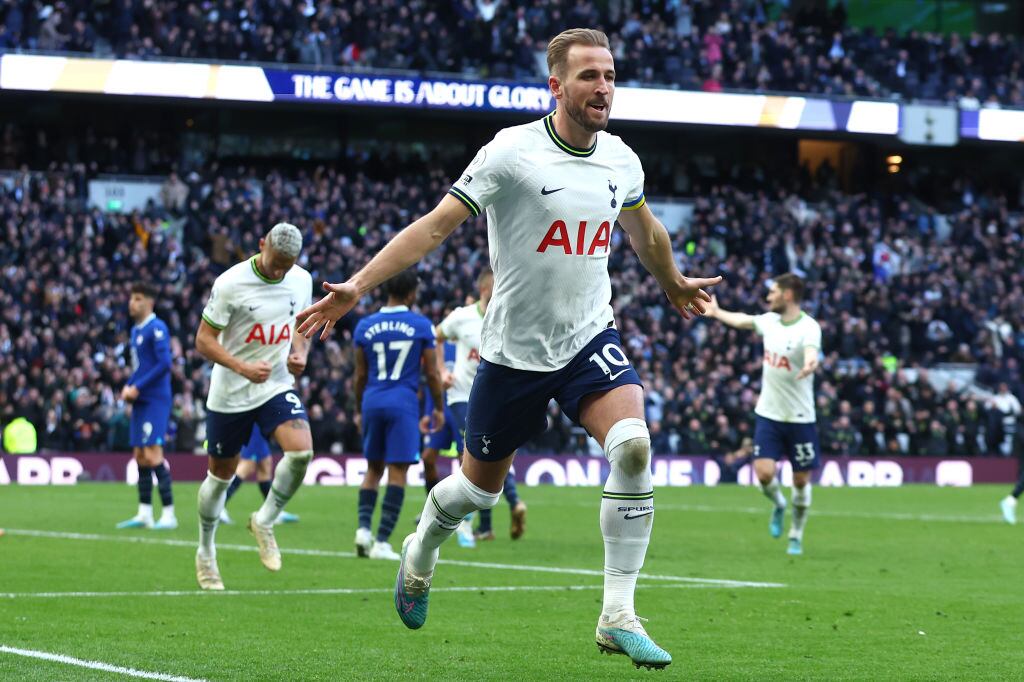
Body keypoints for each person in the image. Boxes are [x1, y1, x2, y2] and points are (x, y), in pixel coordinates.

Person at [297, 28, 721, 670]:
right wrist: (356, 286)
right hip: (513, 354)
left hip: (587, 338)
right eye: (588, 76)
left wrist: (671, 282)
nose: (603, 86)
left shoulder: (622, 160)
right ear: (557, 86)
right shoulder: (511, 152)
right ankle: (420, 550)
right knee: (477, 493)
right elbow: (436, 225)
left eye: (609, 74)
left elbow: (644, 228)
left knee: (633, 444)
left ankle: (618, 615)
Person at [193, 223, 314, 590]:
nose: (279, 272)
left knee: (301, 453)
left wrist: (300, 352)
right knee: (220, 478)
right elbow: (203, 339)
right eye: (275, 263)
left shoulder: (301, 279)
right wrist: (242, 366)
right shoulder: (231, 283)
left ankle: (264, 520)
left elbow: (301, 324)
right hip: (231, 392)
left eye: (287, 265)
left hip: (274, 385)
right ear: (261, 245)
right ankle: (206, 551)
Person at [704, 273, 822, 556]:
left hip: (800, 418)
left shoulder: (809, 327)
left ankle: (796, 534)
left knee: (801, 481)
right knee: (764, 474)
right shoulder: (769, 322)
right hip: (768, 414)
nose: (768, 297)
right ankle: (780, 504)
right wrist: (718, 313)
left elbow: (811, 354)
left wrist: (809, 366)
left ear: (788, 295)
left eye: (773, 292)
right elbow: (743, 320)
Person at [353, 270, 444, 561]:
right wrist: (439, 408)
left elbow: (359, 375)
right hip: (403, 402)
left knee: (372, 469)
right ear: (411, 294)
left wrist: (358, 409)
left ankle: (363, 531)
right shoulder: (420, 325)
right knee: (397, 472)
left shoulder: (365, 326)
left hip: (372, 400)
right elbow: (431, 373)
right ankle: (381, 542)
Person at [435, 268, 527, 543]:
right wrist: (441, 371)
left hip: (494, 398)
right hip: (462, 396)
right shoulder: (462, 317)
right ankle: (470, 518)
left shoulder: (507, 318)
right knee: (472, 453)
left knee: (491, 452)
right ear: (486, 289)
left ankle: (485, 527)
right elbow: (436, 336)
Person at [117, 282, 177, 530]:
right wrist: (129, 385)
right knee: (140, 455)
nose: (133, 303)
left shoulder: (157, 327)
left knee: (153, 454)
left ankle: (169, 515)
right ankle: (144, 513)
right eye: (132, 298)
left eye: (138, 298)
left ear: (149, 303)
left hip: (155, 399)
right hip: (140, 398)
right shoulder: (135, 331)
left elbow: (164, 363)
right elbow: (140, 366)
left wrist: (137, 387)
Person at [219, 425, 300, 526]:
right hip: (255, 425)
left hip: (260, 428)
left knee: (265, 467)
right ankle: (218, 507)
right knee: (247, 466)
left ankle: (274, 512)